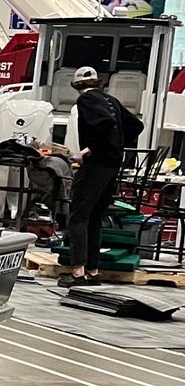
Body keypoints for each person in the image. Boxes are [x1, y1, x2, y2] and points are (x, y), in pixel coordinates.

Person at [61, 65, 143, 287]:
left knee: (78, 216)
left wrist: (89, 149)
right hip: (112, 165)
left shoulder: (85, 100)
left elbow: (104, 123)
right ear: (97, 82)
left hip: (95, 165)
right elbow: (136, 125)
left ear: (76, 85)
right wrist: (116, 144)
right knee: (95, 217)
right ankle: (93, 272)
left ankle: (77, 273)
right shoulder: (111, 100)